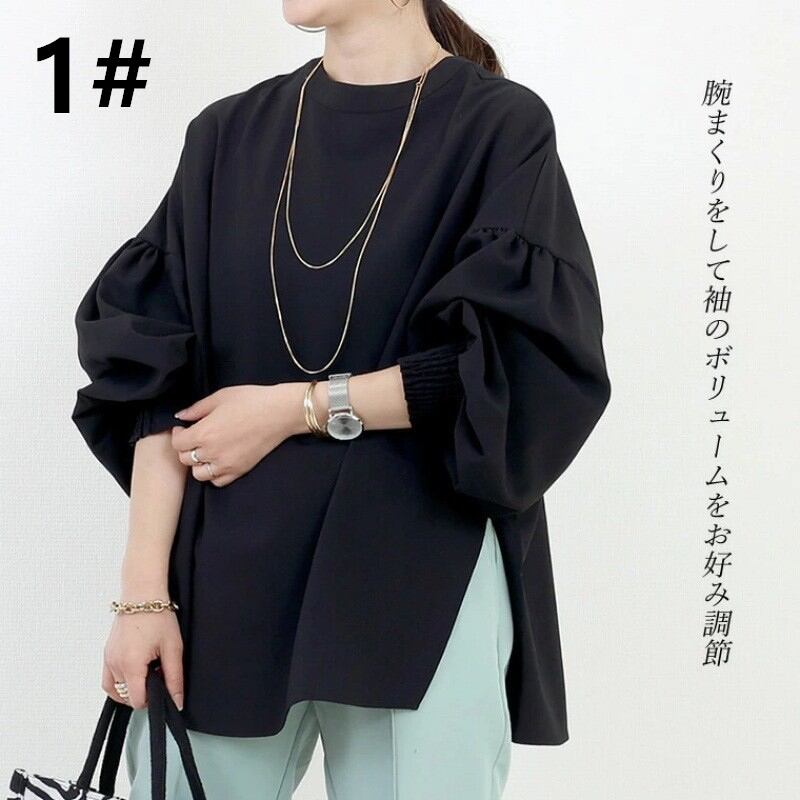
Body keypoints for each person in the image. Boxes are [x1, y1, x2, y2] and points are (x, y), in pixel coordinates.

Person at [71, 1, 612, 797]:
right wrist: (142, 597)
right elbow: (153, 377)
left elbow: (515, 366)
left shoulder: (498, 128)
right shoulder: (227, 136)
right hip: (226, 578)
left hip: (422, 566)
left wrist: (292, 410)